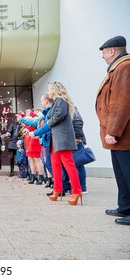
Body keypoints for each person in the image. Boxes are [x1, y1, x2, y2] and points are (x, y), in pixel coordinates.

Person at [96, 35, 130, 225]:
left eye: (103, 52)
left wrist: (113, 131)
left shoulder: (124, 67)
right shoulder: (118, 68)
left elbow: (122, 103)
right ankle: (124, 207)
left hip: (123, 135)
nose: (102, 56)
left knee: (128, 172)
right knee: (121, 173)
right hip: (120, 136)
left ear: (111, 51)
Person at [31, 82, 82, 205]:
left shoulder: (61, 101)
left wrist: (37, 132)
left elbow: (56, 118)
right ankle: (57, 190)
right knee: (55, 165)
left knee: (69, 165)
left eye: (49, 90)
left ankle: (77, 191)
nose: (48, 93)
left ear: (54, 90)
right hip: (56, 140)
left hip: (62, 139)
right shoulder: (57, 102)